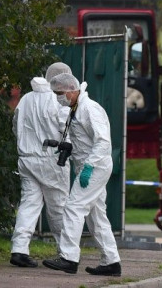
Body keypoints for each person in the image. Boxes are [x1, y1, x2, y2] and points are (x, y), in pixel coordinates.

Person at [42, 73, 122, 276]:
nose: (58, 97)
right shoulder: (76, 108)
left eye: (60, 93)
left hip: (94, 167)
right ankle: (111, 262)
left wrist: (89, 167)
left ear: (71, 90)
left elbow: (103, 141)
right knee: (96, 217)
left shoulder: (89, 109)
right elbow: (83, 140)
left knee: (73, 208)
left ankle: (69, 258)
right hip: (91, 165)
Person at [10, 62, 72, 268]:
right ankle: (66, 252)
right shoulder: (59, 102)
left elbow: (15, 126)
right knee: (58, 208)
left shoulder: (26, 99)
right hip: (52, 160)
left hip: (27, 158)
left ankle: (19, 249)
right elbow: (67, 131)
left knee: (29, 204)